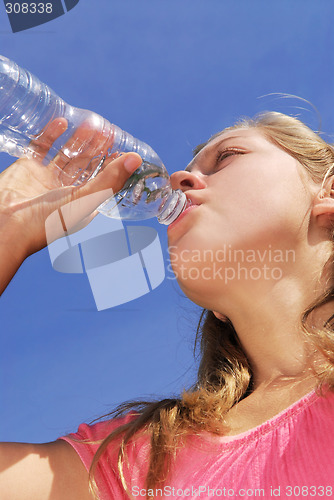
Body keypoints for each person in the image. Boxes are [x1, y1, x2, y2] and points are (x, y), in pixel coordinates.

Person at [0, 111, 333, 500]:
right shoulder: (138, 462)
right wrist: (10, 231)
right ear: (217, 310)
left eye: (227, 157)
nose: (178, 179)